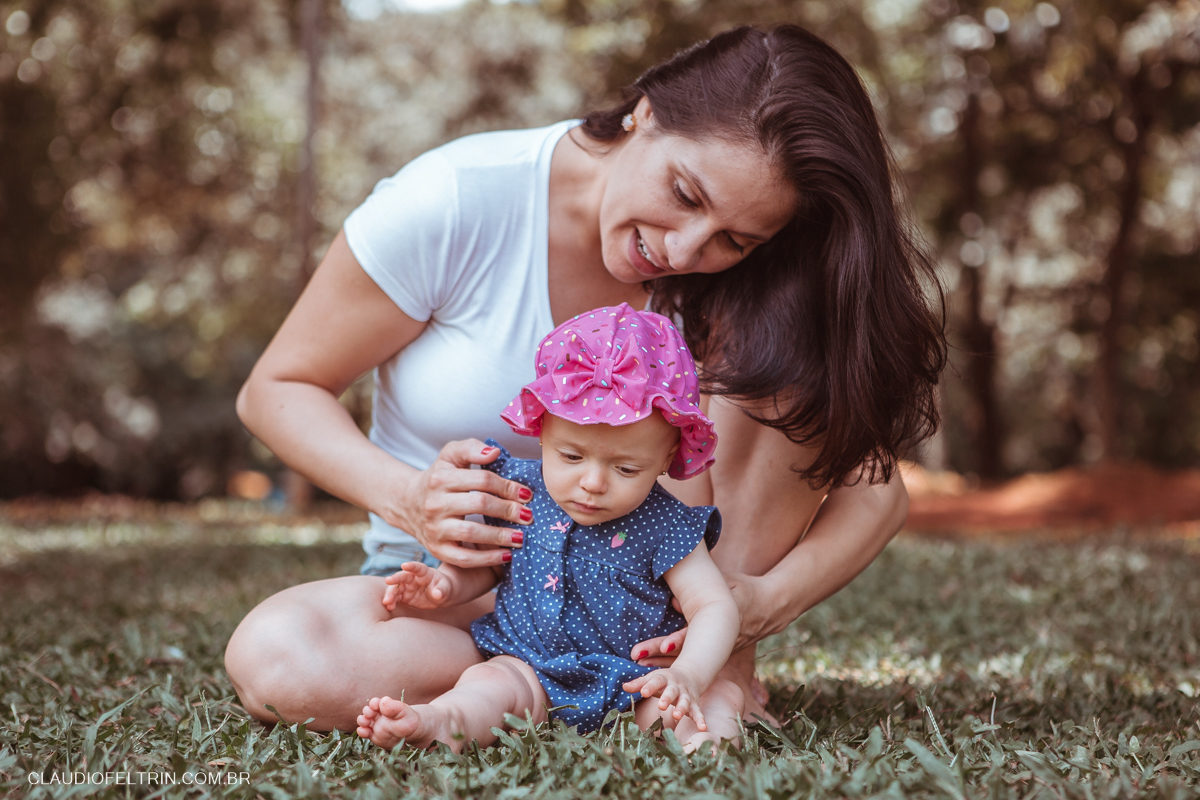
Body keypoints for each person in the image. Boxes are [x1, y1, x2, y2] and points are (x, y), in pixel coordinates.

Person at [224, 23, 945, 732]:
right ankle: (567, 695)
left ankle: (701, 679)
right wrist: (410, 498)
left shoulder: (759, 286)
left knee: (773, 366)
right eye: (686, 194)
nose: (686, 250)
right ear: (646, 113)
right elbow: (277, 388)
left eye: (734, 238)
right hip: (472, 602)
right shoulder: (455, 199)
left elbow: (873, 493)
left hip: (656, 617)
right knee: (280, 659)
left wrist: (758, 603)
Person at [357, 305, 743, 752]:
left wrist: (689, 674)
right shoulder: (519, 491)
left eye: (626, 467)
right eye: (572, 457)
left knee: (684, 709)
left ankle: (711, 736)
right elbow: (496, 565)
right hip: (529, 664)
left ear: (666, 457)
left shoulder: (668, 525)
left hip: (636, 680)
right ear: (541, 430)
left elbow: (714, 605)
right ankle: (445, 721)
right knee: (488, 683)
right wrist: (445, 583)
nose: (592, 483)